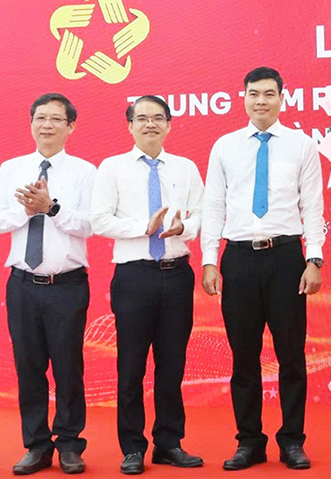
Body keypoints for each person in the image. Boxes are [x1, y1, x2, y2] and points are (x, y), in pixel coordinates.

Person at [201, 67, 325, 471]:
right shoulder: (225, 146)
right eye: (254, 93)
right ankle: (249, 441)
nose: (261, 101)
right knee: (244, 357)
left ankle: (292, 441)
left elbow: (313, 205)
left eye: (269, 94)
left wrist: (314, 258)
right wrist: (209, 259)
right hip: (239, 259)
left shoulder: (302, 145)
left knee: (291, 356)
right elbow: (213, 205)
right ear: (244, 98)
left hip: (285, 258)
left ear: (281, 98)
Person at [92, 95, 204, 475]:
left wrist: (183, 228)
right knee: (131, 366)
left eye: (158, 118)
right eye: (142, 118)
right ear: (130, 126)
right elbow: (100, 220)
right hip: (134, 276)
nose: (150, 124)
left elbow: (201, 214)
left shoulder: (186, 168)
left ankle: (169, 443)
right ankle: (132, 448)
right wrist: (145, 227)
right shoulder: (112, 168)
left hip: (176, 273)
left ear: (169, 125)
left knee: (172, 364)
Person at [0, 93, 95, 475]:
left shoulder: (85, 172)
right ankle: (36, 445)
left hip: (67, 285)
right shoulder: (11, 169)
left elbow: (90, 224)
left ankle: (69, 444)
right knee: (28, 367)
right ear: (31, 123)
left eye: (56, 119)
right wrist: (25, 210)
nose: (47, 125)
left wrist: (52, 209)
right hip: (22, 285)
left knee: (68, 367)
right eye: (40, 118)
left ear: (70, 126)